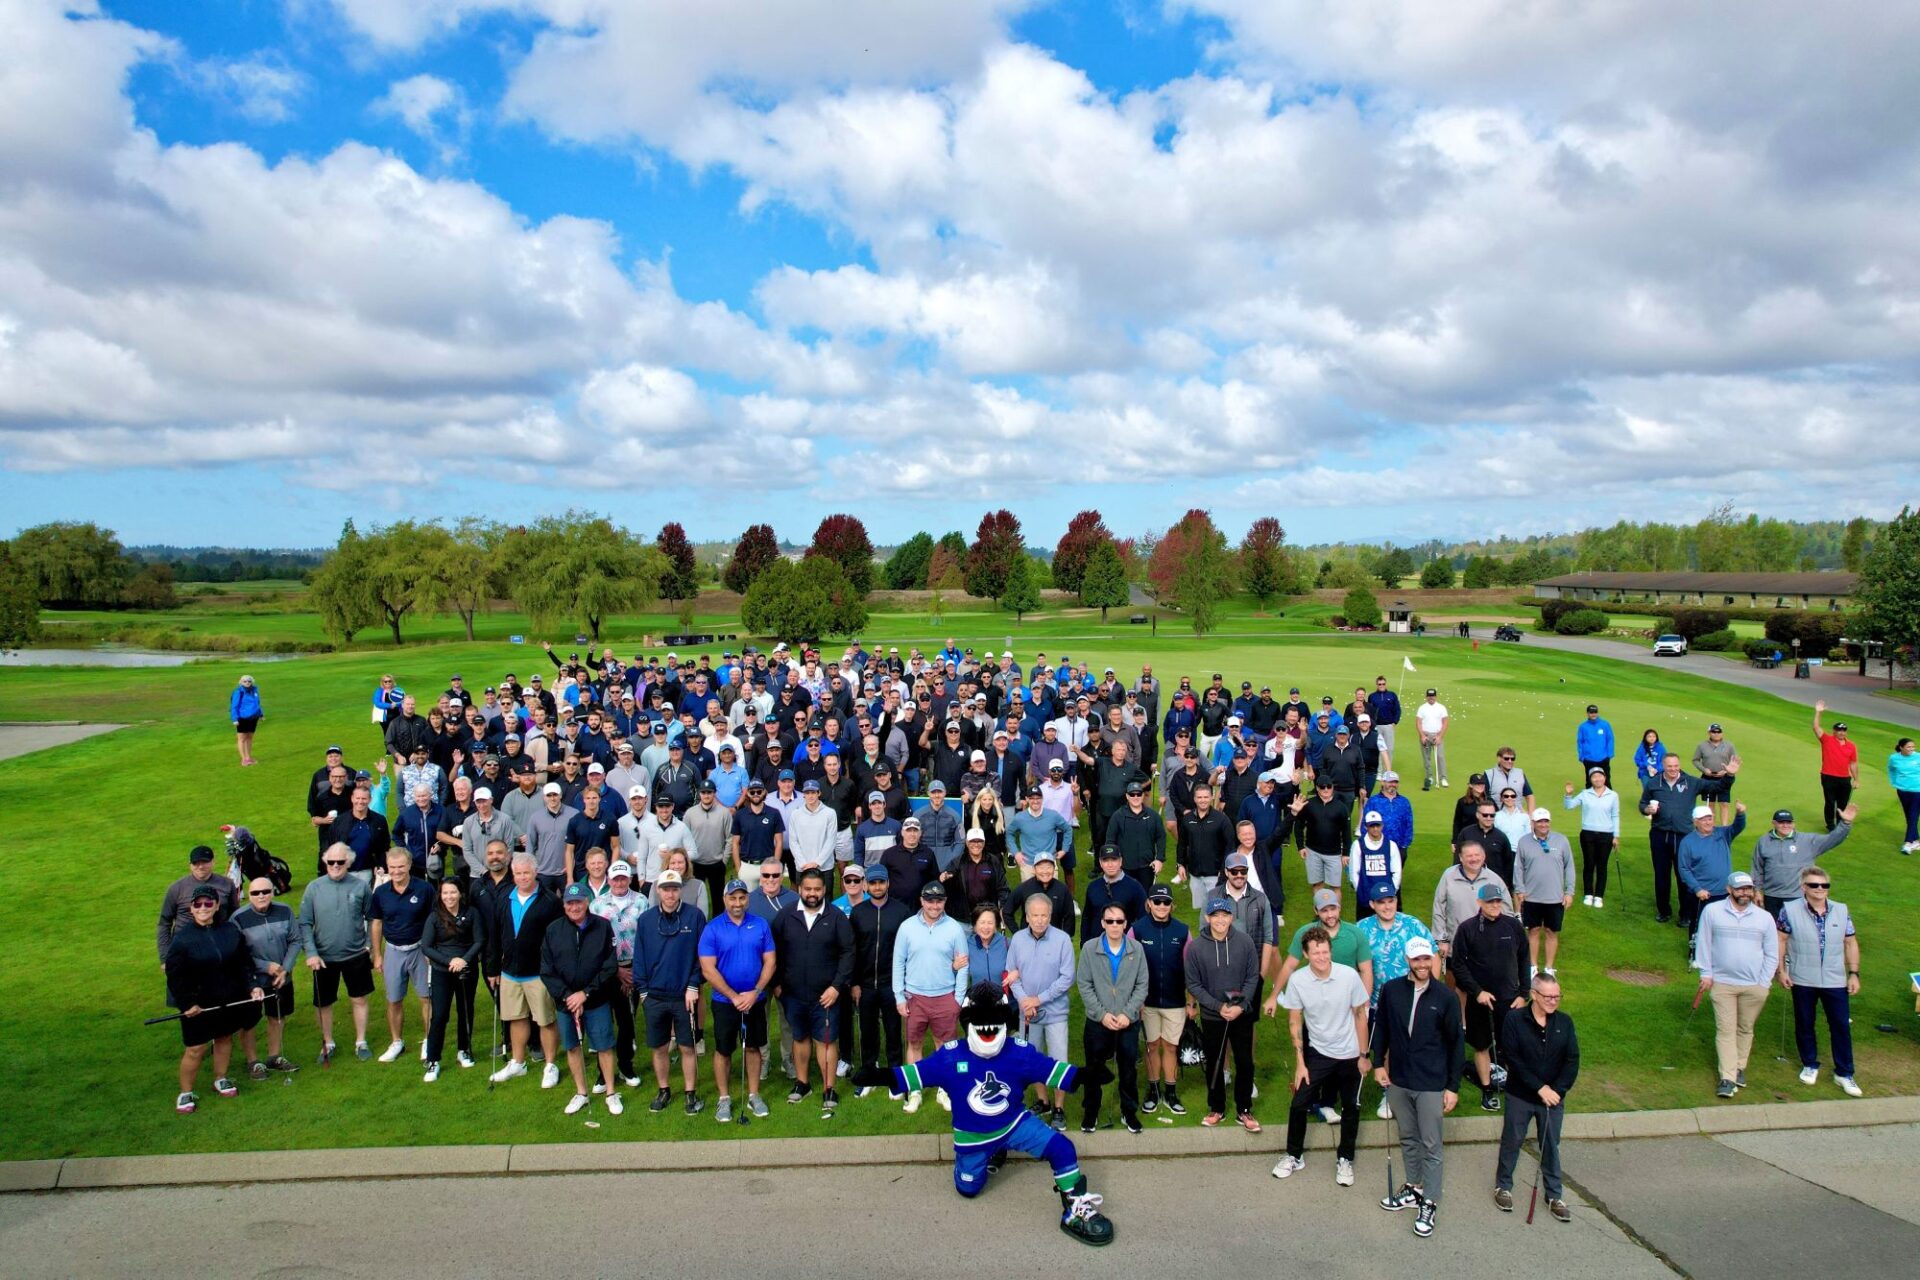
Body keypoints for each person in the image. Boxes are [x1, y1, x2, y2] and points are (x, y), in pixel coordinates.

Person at [861, 982, 1115, 1247]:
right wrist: (878, 1076)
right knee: (968, 1189)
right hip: (973, 1137)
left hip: (1015, 1124)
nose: (988, 1029)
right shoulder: (950, 1056)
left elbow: (1054, 1071)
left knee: (1062, 1148)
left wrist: (1086, 1074)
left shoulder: (1019, 1052)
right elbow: (912, 1075)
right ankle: (981, 1158)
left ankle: (1074, 1210)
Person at [1371, 937, 1461, 1238]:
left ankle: (1429, 1201)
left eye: (1426, 959)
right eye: (1416, 959)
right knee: (1408, 1137)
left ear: (1432, 960)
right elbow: (1381, 1027)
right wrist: (1378, 1064)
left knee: (1431, 1145)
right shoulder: (1392, 989)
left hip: (1431, 1083)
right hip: (1399, 1079)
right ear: (1408, 960)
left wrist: (1452, 1087)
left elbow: (1456, 1044)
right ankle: (1414, 1187)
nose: (1422, 964)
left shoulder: (1445, 997)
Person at [1272, 925, 1371, 1186]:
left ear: (1331, 951)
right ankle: (1294, 1155)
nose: (1322, 957)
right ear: (1306, 954)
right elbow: (1295, 1021)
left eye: (1325, 952)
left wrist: (1363, 1055)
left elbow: (1360, 1016)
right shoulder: (1298, 980)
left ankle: (1345, 1158)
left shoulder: (1349, 976)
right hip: (1318, 1052)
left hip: (1350, 1052)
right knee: (1299, 1103)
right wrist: (1300, 1063)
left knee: (1350, 1107)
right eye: (1316, 953)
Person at [164, 882, 266, 1113]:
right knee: (196, 1048)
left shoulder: (230, 931)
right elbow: (175, 977)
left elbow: (244, 963)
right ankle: (185, 1092)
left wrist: (253, 986)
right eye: (198, 904)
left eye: (208, 903)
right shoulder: (182, 939)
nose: (203, 908)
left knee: (224, 1038)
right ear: (191, 908)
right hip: (197, 1005)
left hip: (227, 999)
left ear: (217, 905)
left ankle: (220, 1078)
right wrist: (187, 1003)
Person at [1493, 974, 1578, 1224]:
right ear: (1534, 995)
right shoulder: (1515, 1020)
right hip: (1521, 1095)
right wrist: (1540, 1088)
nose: (1553, 1001)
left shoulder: (1564, 1022)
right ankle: (1503, 1186)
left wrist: (1557, 1091)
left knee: (1551, 1145)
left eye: (1557, 996)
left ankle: (1554, 1195)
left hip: (1553, 1098)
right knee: (1512, 1140)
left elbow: (1572, 1060)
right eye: (1548, 996)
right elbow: (1512, 1058)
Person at [771, 867, 853, 1112]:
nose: (812, 893)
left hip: (826, 996)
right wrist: (776, 984)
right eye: (808, 889)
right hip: (793, 994)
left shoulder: (836, 917)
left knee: (825, 1041)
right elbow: (772, 952)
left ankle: (829, 1088)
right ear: (799, 889)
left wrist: (836, 987)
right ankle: (802, 1083)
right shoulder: (785, 916)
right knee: (799, 1037)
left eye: (817, 889)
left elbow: (848, 954)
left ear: (825, 889)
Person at [1777, 865, 1862, 1097]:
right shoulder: (1789, 910)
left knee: (1840, 1025)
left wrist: (1854, 973)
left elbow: (1850, 942)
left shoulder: (1841, 910)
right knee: (1805, 1022)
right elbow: (1781, 940)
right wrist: (1781, 971)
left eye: (1824, 885)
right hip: (1802, 977)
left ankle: (1844, 1073)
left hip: (1835, 979)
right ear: (1803, 887)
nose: (1820, 889)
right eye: (1814, 885)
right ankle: (1809, 1064)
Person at [698, 877, 777, 1123]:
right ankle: (724, 1099)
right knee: (723, 1050)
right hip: (725, 1001)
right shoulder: (712, 928)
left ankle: (753, 1095)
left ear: (747, 899)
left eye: (742, 898)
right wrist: (733, 996)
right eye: (732, 898)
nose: (737, 903)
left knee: (753, 1047)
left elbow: (770, 961)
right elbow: (708, 969)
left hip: (755, 999)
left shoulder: (760, 925)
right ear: (724, 899)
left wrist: (755, 991)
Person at [542, 882, 621, 1116]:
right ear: (564, 905)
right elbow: (546, 970)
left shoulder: (602, 926)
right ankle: (581, 1093)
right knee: (573, 1047)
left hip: (596, 1000)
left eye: (578, 902)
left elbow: (609, 966)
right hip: (566, 1004)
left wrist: (585, 993)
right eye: (569, 903)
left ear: (587, 902)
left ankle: (611, 1092)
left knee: (604, 1046)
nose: (574, 907)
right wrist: (568, 996)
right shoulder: (553, 930)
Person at [1696, 871, 1777, 1097]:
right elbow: (1703, 943)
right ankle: (1727, 1078)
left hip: (1754, 985)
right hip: (1722, 983)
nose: (1745, 893)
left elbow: (1772, 953)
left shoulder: (1764, 918)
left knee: (1745, 1028)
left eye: (1748, 889)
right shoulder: (1712, 911)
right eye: (1740, 889)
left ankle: (1739, 1066)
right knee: (1725, 1029)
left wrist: (1764, 983)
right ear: (1729, 890)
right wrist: (1706, 973)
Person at [635, 869, 709, 1115]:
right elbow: (639, 957)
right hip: (654, 996)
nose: (670, 894)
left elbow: (702, 956)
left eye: (674, 889)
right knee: (659, 1047)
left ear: (680, 890)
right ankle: (664, 1089)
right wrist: (643, 992)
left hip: (684, 996)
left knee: (687, 1047)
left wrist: (693, 985)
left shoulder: (694, 916)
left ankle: (690, 1093)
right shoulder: (646, 920)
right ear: (658, 890)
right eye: (666, 889)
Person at [487, 854, 564, 1090]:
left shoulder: (549, 901)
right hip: (510, 971)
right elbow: (495, 935)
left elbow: (557, 939)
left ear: (535, 873)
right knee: (516, 1017)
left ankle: (550, 1065)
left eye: (526, 873)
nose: (522, 877)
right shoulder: (504, 897)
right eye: (518, 873)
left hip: (538, 973)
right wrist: (493, 967)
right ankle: (518, 1062)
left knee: (545, 1020)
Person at [893, 881, 970, 1113]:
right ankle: (915, 1090)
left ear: (944, 902)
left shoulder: (955, 928)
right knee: (914, 1044)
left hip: (945, 996)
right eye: (930, 901)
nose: (934, 906)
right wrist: (899, 996)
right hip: (914, 997)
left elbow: (963, 965)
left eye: (939, 901)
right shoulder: (907, 927)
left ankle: (944, 1090)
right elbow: (898, 963)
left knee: (945, 1046)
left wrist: (958, 998)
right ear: (921, 901)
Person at [1186, 897, 1261, 1130]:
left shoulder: (1245, 942)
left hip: (1241, 1014)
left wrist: (1240, 1006)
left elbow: (1253, 977)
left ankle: (1244, 1109)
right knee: (1215, 1063)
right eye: (1215, 915)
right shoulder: (1196, 947)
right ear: (1207, 918)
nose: (1220, 920)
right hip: (1212, 1016)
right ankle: (1216, 1107)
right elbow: (1193, 984)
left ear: (1232, 917)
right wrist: (1218, 1007)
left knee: (1245, 1062)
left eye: (1225, 915)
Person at [1451, 883, 1528, 1112]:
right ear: (1479, 903)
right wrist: (1477, 992)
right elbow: (1458, 965)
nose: (1495, 905)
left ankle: (1515, 1089)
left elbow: (1524, 959)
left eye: (1498, 901)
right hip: (1480, 1000)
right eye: (1490, 901)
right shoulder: (1467, 928)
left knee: (1513, 1046)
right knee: (1481, 1044)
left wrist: (1524, 994)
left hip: (1510, 999)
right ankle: (1487, 1090)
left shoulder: (1513, 926)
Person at [299, 843, 374, 1063]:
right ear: (325, 862)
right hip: (323, 958)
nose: (335, 865)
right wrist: (311, 953)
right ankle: (328, 1042)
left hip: (355, 955)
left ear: (348, 863)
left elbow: (373, 918)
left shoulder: (361, 887)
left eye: (340, 862)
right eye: (330, 862)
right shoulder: (314, 888)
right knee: (323, 1003)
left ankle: (361, 1042)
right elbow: (304, 922)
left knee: (359, 999)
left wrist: (369, 944)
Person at [1076, 903, 1147, 1134]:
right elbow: (1084, 984)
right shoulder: (1089, 948)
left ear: (1126, 924)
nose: (1114, 925)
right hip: (1098, 1022)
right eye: (1110, 921)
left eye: (1119, 921)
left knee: (1128, 1070)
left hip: (1128, 1022)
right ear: (1102, 923)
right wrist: (1102, 1014)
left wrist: (1127, 1013)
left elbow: (1142, 984)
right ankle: (1091, 1112)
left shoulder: (1136, 949)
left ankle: (1129, 1112)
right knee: (1093, 1069)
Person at [1007, 893, 1076, 1126]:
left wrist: (1039, 999)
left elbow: (1067, 978)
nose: (1039, 920)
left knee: (1058, 1061)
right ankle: (1043, 1101)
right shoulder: (1017, 940)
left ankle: (1059, 1108)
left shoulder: (1063, 940)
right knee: (1032, 1058)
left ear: (1050, 916)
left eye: (1044, 915)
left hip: (1055, 1013)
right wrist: (1025, 1001)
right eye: (1035, 915)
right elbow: (1012, 975)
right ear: (1027, 917)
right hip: (1027, 1013)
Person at [849, 861, 912, 1100]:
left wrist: (903, 984)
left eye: (881, 882)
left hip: (892, 984)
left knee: (893, 1031)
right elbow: (852, 950)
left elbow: (908, 950)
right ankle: (869, 1075)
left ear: (888, 884)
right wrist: (854, 983)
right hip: (864, 984)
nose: (877, 887)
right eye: (873, 882)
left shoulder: (901, 911)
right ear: (866, 885)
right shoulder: (858, 912)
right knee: (867, 1033)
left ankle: (895, 1078)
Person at [228, 877, 301, 1080]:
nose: (261, 896)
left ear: (273, 892)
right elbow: (237, 953)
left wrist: (285, 969)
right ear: (248, 895)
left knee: (277, 1016)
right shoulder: (238, 918)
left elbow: (296, 940)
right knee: (249, 1022)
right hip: (251, 981)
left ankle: (274, 1057)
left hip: (281, 977)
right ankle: (253, 1062)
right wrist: (265, 966)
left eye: (266, 891)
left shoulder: (285, 910)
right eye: (255, 893)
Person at [368, 849, 434, 1063]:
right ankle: (397, 1042)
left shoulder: (424, 889)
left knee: (426, 997)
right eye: (392, 867)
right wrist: (377, 955)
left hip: (420, 951)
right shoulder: (381, 893)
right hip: (394, 951)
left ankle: (429, 1041)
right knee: (394, 999)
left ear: (409, 865)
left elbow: (434, 920)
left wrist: (431, 950)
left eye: (401, 867)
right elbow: (376, 923)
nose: (396, 871)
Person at [1133, 884, 1190, 1116]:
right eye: (1157, 901)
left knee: (1170, 1046)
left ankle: (1171, 1092)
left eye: (1166, 902)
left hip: (1175, 1001)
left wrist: (1191, 1002)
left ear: (1172, 905)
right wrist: (1135, 1001)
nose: (1162, 906)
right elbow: (1130, 967)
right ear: (1149, 903)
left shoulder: (1183, 931)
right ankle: (1154, 1090)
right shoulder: (1137, 930)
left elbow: (1191, 969)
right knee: (1152, 1045)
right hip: (1146, 1002)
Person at [419, 879, 481, 1081]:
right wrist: (449, 961)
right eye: (445, 893)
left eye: (453, 892)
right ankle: (433, 1059)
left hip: (466, 970)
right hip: (442, 971)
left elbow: (479, 940)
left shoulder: (472, 913)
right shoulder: (434, 917)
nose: (449, 897)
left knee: (465, 1011)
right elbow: (426, 946)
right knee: (439, 1015)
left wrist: (464, 960)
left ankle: (464, 1050)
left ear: (460, 893)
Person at [1639, 753, 1706, 925]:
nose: (1673, 769)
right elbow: (1643, 803)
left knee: (1684, 875)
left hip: (1684, 836)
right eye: (1669, 766)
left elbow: (1717, 787)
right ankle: (1664, 911)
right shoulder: (1654, 783)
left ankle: (1686, 914)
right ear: (1663, 766)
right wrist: (1647, 810)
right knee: (1661, 875)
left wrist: (1729, 775)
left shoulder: (1690, 782)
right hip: (1659, 834)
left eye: (1676, 765)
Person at [157, 845, 237, 987]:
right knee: (184, 991)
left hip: (218, 947)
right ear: (190, 865)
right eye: (196, 863)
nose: (200, 866)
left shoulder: (227, 885)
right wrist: (165, 957)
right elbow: (164, 923)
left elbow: (234, 917)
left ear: (213, 862)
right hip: (185, 949)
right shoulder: (176, 889)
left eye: (204, 862)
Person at [1750, 805, 1854, 908]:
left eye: (1789, 822)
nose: (1785, 825)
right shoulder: (1764, 841)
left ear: (1793, 823)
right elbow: (1757, 868)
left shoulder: (1808, 841)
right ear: (1774, 823)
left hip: (1799, 896)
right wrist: (1757, 890)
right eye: (1781, 822)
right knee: (1773, 920)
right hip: (1772, 896)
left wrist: (1845, 823)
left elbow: (1832, 839)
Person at [1513, 809, 1575, 977]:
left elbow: (1569, 867)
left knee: (1551, 932)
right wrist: (1520, 889)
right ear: (1533, 823)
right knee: (1533, 931)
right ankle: (1533, 966)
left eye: (1546, 821)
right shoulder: (1524, 842)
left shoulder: (1561, 840)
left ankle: (1548, 967)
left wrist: (1569, 892)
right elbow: (1518, 868)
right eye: (1539, 821)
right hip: (1531, 897)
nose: (1543, 824)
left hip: (1555, 898)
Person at [1679, 802, 1748, 944]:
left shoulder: (1722, 833)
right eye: (1703, 819)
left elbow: (1738, 827)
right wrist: (1697, 889)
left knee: (1723, 927)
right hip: (1703, 894)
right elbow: (1684, 869)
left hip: (1724, 892)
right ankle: (1695, 953)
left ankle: (1720, 952)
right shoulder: (1688, 842)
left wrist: (1740, 814)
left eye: (1710, 818)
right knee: (1698, 926)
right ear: (1695, 822)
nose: (1708, 822)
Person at [1562, 769, 1620, 908]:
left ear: (1604, 778)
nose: (1597, 779)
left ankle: (1599, 896)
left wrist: (1616, 835)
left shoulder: (1612, 795)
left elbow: (1615, 815)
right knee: (1589, 864)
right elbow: (1569, 806)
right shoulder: (1585, 794)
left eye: (1600, 776)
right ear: (1590, 779)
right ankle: (1588, 893)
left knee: (1602, 865)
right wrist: (1568, 795)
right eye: (1594, 777)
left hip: (1606, 834)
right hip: (1588, 833)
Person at [1081, 845, 1147, 943]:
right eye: (1106, 860)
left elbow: (1144, 919)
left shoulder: (1135, 887)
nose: (1110, 865)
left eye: (1114, 860)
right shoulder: (1093, 887)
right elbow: (1086, 918)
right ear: (1100, 863)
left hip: (1125, 946)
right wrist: (1084, 942)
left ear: (1120, 861)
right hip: (1096, 945)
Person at [1691, 722, 1742, 826]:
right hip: (1707, 777)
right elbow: (1695, 760)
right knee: (1710, 803)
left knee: (1724, 803)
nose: (1716, 734)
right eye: (1713, 732)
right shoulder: (1702, 746)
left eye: (1719, 732)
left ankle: (1724, 827)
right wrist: (1704, 769)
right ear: (1709, 733)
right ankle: (1712, 826)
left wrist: (1726, 771)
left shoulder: (1729, 745)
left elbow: (1734, 761)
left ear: (1722, 733)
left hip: (1724, 778)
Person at [1889, 738, 1920, 854]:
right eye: (1909, 747)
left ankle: (1908, 843)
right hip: (1902, 790)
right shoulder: (1894, 758)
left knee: (1913, 815)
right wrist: (1894, 782)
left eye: (1913, 747)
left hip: (1917, 790)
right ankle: (1916, 841)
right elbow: (1891, 769)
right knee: (1909, 816)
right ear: (1901, 747)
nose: (1912, 749)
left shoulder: (1918, 757)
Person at [1414, 688, 1448, 791]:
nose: (1431, 698)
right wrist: (1422, 736)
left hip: (1437, 735)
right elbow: (1418, 722)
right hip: (1425, 735)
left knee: (1440, 756)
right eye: (1429, 696)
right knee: (1426, 758)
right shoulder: (1422, 708)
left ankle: (1443, 778)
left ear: (1436, 697)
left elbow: (1445, 722)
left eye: (1432, 696)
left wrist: (1440, 736)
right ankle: (1429, 777)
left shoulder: (1441, 707)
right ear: (1426, 697)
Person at [1574, 704, 1613, 783]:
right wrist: (1581, 756)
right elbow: (1580, 741)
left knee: (1606, 781)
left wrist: (1609, 754)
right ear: (1587, 713)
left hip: (1603, 758)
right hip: (1589, 759)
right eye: (1591, 712)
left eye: (1595, 712)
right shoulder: (1583, 727)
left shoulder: (1605, 724)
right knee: (1590, 781)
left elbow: (1610, 739)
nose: (1593, 714)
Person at [230, 673, 262, 767]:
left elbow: (257, 703)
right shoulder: (238, 692)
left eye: (249, 681)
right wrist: (234, 719)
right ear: (241, 682)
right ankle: (244, 759)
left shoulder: (254, 690)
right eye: (245, 681)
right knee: (242, 738)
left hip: (253, 717)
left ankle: (248, 757)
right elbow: (234, 706)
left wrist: (261, 714)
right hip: (242, 718)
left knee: (249, 737)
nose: (247, 683)